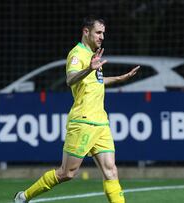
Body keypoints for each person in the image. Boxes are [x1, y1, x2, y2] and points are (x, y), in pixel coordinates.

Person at [14, 16, 140, 203]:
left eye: (103, 33)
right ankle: (23, 197)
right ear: (86, 32)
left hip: (100, 122)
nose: (102, 37)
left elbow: (95, 82)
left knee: (111, 171)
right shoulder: (77, 54)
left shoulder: (92, 55)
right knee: (67, 173)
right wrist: (89, 68)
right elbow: (71, 79)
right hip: (83, 120)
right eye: (98, 32)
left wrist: (119, 78)